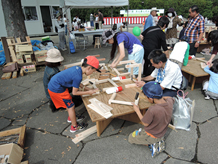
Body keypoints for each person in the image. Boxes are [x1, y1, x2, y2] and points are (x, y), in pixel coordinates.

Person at [48, 56, 100, 133]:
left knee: (69, 104)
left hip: (56, 85)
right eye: (94, 71)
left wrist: (90, 89)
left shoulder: (77, 69)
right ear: (89, 68)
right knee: (71, 106)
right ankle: (74, 127)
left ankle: (71, 117)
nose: (93, 73)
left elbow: (78, 84)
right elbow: (74, 92)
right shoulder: (78, 76)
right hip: (56, 89)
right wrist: (89, 92)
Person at [128, 81, 174, 158]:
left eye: (146, 97)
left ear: (150, 98)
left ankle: (152, 143)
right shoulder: (170, 102)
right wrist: (162, 98)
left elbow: (145, 123)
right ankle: (157, 140)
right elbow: (171, 98)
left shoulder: (153, 109)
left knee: (130, 138)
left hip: (152, 135)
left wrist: (137, 110)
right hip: (161, 132)